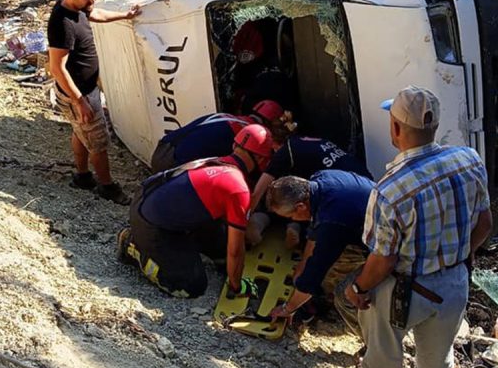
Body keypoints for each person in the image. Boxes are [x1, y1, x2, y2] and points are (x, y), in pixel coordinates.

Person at [338, 86, 493, 368]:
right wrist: (461, 255)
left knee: (383, 361)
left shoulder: (389, 190)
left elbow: (384, 260)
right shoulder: (468, 160)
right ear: (434, 126)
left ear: (395, 128)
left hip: (406, 292)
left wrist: (359, 288)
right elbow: (485, 224)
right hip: (454, 285)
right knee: (437, 363)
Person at [116, 124, 274, 298]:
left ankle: (174, 244)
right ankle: (132, 246)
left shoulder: (218, 162)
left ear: (234, 145)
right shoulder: (239, 189)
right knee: (190, 286)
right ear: (261, 160)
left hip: (148, 200)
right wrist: (237, 286)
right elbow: (236, 251)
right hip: (151, 223)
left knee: (221, 252)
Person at [47, 0, 140, 205]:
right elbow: (56, 68)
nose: (92, 0)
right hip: (78, 93)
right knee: (98, 141)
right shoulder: (62, 22)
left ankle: (82, 177)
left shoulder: (80, 9)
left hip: (85, 89)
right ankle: (108, 187)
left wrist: (125, 16)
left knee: (82, 132)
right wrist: (80, 101)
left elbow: (96, 13)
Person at [264, 171, 374, 326]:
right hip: (365, 225)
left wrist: (288, 308)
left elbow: (315, 271)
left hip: (393, 250)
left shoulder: (332, 221)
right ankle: (318, 299)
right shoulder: (322, 178)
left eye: (290, 217)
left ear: (300, 206)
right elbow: (315, 233)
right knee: (328, 270)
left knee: (345, 294)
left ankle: (375, 344)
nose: (293, 220)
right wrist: (303, 265)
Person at [246, 125, 372, 248]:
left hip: (345, 192)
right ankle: (293, 226)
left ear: (273, 145)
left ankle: (283, 225)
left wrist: (243, 221)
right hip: (362, 181)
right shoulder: (302, 142)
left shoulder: (284, 153)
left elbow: (257, 193)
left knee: (283, 202)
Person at [149, 99, 284, 173]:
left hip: (160, 152)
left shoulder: (224, 116)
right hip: (174, 166)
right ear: (268, 123)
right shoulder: (245, 136)